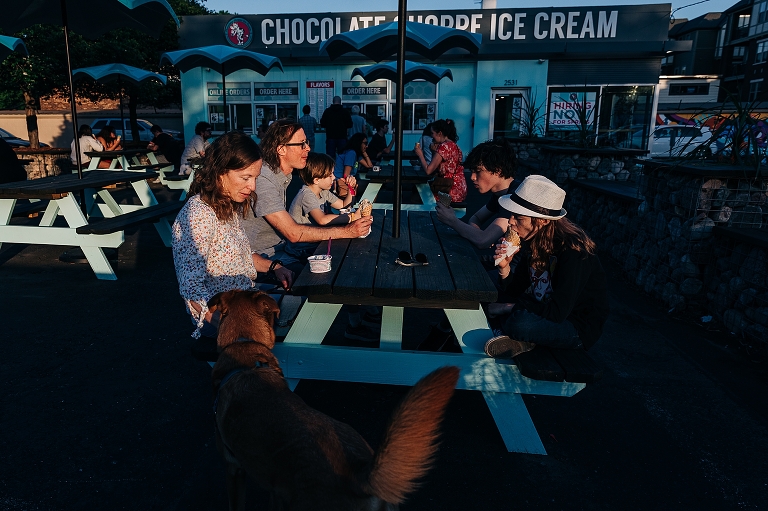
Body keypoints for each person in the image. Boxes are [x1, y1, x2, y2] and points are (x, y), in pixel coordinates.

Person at [241, 120, 378, 341]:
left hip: (279, 251)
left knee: (341, 264)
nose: (308, 148)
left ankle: (352, 320)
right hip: (263, 258)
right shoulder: (264, 179)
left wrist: (346, 200)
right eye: (302, 144)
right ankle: (285, 337)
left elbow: (335, 208)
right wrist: (347, 230)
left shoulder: (281, 176)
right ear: (281, 149)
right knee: (325, 275)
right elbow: (294, 233)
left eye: (307, 143)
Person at [171, 131, 293, 339]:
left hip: (244, 301)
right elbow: (192, 291)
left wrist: (274, 267)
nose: (252, 186)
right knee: (292, 328)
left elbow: (240, 257)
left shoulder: (226, 206)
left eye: (255, 178)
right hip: (222, 316)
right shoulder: (199, 215)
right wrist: (231, 325)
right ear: (220, 172)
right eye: (246, 178)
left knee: (296, 301)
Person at [484, 175, 609, 359]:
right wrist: (504, 267)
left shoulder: (574, 252)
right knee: (486, 290)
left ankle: (520, 336)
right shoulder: (534, 241)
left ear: (542, 221)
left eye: (518, 217)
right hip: (542, 310)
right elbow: (514, 290)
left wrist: (507, 308)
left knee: (519, 323)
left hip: (573, 326)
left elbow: (557, 313)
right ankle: (523, 342)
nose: (510, 221)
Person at [435, 139, 518, 249]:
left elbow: (482, 240)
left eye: (478, 171)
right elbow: (476, 218)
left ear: (498, 170)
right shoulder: (500, 194)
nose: (472, 177)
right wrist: (479, 235)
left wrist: (452, 220)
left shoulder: (514, 198)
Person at [285, 152, 357, 261]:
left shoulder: (323, 191)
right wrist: (352, 217)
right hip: (301, 249)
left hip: (315, 243)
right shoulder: (306, 194)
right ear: (316, 180)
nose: (334, 177)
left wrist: (350, 189)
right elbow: (322, 220)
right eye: (330, 175)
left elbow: (343, 205)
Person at [414, 119, 467, 203]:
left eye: (432, 133)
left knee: (420, 196)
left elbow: (428, 171)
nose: (431, 136)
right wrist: (433, 152)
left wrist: (420, 155)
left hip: (449, 193)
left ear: (440, 133)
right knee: (422, 194)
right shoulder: (455, 146)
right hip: (459, 189)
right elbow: (439, 167)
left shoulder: (444, 147)